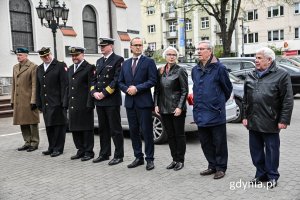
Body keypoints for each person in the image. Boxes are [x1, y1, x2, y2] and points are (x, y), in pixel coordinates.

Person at [242, 47, 293, 189]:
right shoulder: (251, 74)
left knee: (272, 150)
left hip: (271, 120)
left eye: (259, 58)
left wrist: (283, 120)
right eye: (255, 57)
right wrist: (245, 116)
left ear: (269, 60)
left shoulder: (281, 75)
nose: (255, 60)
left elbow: (287, 100)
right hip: (253, 120)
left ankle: (272, 175)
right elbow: (246, 98)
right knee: (255, 150)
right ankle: (260, 173)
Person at [191, 40, 232, 179]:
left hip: (216, 112)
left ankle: (221, 167)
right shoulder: (195, 70)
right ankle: (211, 165)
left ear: (210, 51)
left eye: (202, 49)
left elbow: (228, 89)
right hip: (200, 112)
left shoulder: (219, 68)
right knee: (205, 142)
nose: (199, 51)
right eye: (198, 49)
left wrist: (217, 103)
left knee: (219, 142)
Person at [118, 37, 157, 170]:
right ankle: (138, 157)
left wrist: (137, 88)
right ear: (131, 47)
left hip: (144, 103)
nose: (138, 47)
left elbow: (153, 80)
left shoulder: (149, 62)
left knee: (146, 132)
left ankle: (150, 159)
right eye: (136, 45)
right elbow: (120, 82)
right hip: (130, 103)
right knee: (133, 131)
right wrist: (127, 89)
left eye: (140, 45)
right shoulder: (126, 63)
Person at [91, 38, 125, 165]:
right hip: (99, 101)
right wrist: (93, 92)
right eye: (101, 46)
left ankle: (118, 155)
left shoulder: (118, 60)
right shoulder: (99, 61)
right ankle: (104, 153)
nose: (102, 48)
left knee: (115, 129)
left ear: (111, 46)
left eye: (104, 46)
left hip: (111, 100)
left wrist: (104, 93)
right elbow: (94, 79)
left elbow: (116, 80)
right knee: (103, 129)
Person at [154, 46, 188, 171]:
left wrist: (179, 107)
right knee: (170, 135)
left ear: (176, 56)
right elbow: (157, 90)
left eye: (174, 54)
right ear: (165, 56)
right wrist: (156, 104)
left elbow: (185, 91)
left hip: (176, 109)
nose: (171, 56)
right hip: (163, 108)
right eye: (169, 54)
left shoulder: (180, 70)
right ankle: (174, 159)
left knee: (179, 135)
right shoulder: (161, 70)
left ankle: (180, 160)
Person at [63, 47, 95, 161]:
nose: (74, 57)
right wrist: (65, 103)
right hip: (73, 104)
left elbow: (91, 87)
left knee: (86, 129)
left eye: (76, 55)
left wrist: (90, 104)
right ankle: (80, 150)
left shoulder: (89, 68)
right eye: (72, 56)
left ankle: (89, 151)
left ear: (82, 54)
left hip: (84, 104)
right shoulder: (71, 69)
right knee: (75, 128)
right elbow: (68, 87)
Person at [36, 47, 68, 157]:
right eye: (44, 56)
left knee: (59, 126)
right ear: (41, 57)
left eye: (48, 55)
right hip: (46, 103)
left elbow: (65, 85)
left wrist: (64, 102)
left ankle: (58, 148)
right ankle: (51, 147)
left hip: (57, 102)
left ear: (51, 54)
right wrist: (38, 102)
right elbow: (38, 86)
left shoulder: (60, 65)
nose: (47, 57)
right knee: (49, 126)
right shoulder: (39, 68)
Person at [11, 47, 40, 152]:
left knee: (32, 122)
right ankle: (27, 142)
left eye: (20, 55)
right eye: (17, 55)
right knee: (22, 121)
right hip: (19, 100)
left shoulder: (33, 67)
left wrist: (33, 100)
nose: (18, 57)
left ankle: (34, 142)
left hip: (28, 99)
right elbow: (14, 85)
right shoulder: (15, 67)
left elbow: (34, 85)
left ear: (26, 55)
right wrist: (12, 100)